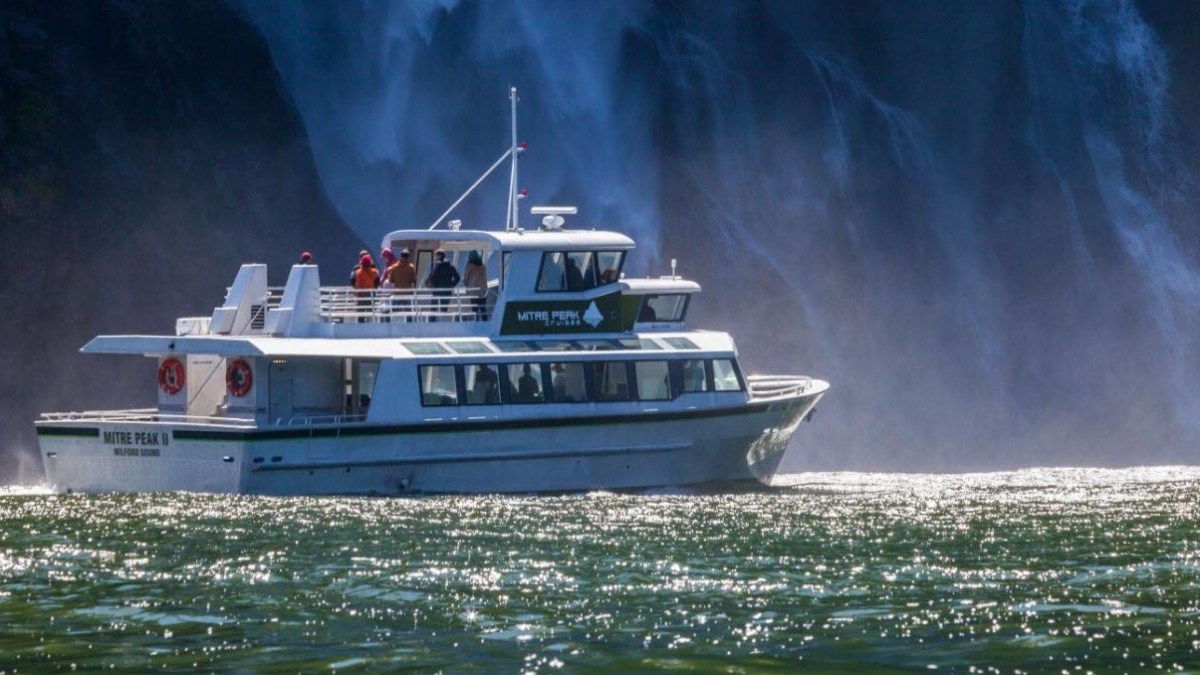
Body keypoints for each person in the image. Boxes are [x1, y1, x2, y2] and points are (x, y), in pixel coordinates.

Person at [424, 249, 461, 320]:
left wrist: (431, 285)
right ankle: (442, 326)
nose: (435, 257)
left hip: (437, 292)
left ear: (440, 255)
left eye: (436, 255)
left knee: (433, 311)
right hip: (446, 292)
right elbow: (457, 278)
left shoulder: (438, 266)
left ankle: (431, 326)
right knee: (443, 311)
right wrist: (451, 285)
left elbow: (432, 277)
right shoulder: (450, 267)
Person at [386, 248, 418, 321]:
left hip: (397, 293)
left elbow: (391, 281)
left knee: (394, 311)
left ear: (401, 256)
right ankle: (410, 326)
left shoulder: (394, 267)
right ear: (408, 256)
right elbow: (413, 280)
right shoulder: (411, 268)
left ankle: (393, 325)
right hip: (407, 293)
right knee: (409, 313)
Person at [351, 253, 379, 322]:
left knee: (360, 315)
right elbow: (377, 280)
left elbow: (358, 286)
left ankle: (361, 327)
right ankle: (372, 326)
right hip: (371, 295)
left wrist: (356, 295)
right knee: (371, 314)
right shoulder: (374, 272)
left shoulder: (359, 273)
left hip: (361, 296)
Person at [463, 250, 488, 320]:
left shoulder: (469, 267)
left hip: (473, 291)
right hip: (483, 291)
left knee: (475, 309)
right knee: (483, 308)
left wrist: (465, 283)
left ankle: (476, 322)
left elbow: (465, 280)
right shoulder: (483, 267)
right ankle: (485, 321)